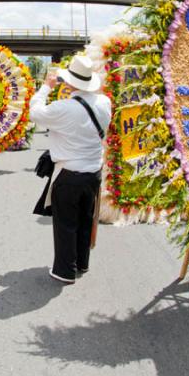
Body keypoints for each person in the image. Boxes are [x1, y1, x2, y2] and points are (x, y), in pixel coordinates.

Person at [30, 55, 111, 284]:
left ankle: (64, 271)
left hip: (68, 173)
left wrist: (46, 87)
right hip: (94, 172)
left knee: (66, 223)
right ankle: (81, 263)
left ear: (70, 82)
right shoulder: (104, 103)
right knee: (85, 220)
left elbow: (34, 112)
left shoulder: (62, 108)